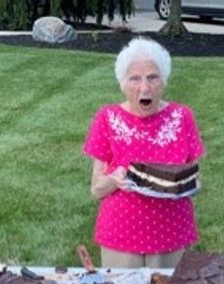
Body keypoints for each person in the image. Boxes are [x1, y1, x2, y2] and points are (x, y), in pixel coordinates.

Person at [82, 38, 205, 269]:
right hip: (121, 235)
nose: (144, 87)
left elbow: (195, 179)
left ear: (164, 81)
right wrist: (114, 179)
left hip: (172, 233)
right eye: (135, 78)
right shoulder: (107, 118)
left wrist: (184, 185)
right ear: (123, 84)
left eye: (152, 77)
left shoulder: (182, 117)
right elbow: (96, 189)